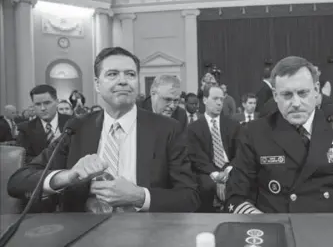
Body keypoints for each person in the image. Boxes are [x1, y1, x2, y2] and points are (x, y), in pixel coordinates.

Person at [8, 47, 200, 213]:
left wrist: (140, 196)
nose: (123, 81)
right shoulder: (77, 127)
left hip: (146, 233)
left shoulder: (167, 129)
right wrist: (67, 176)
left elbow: (190, 197)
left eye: (130, 74)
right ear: (97, 84)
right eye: (112, 74)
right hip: (84, 233)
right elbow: (18, 181)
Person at [225, 56, 333, 214]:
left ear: (316, 91)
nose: (295, 103)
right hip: (279, 232)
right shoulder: (254, 133)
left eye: (302, 93)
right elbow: (236, 197)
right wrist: (267, 229)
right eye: (287, 95)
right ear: (275, 96)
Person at [188, 85, 242, 212]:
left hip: (230, 167)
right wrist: (217, 175)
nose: (219, 103)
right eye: (215, 98)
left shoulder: (233, 125)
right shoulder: (193, 128)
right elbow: (196, 157)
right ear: (205, 100)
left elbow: (240, 151)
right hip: (207, 170)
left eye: (221, 99)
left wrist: (227, 171)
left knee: (239, 182)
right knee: (205, 186)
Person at [17, 85, 72, 164]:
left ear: (57, 102)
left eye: (47, 103)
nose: (42, 108)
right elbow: (23, 158)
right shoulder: (25, 129)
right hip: (41, 173)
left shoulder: (72, 122)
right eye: (38, 104)